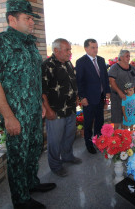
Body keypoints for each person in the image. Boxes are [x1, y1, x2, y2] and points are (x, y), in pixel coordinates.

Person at [0, 0, 56, 209]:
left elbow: (35, 78)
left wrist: (41, 103)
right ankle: (20, 199)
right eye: (28, 18)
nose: (32, 22)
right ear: (12, 19)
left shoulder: (30, 43)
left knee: (34, 150)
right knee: (18, 156)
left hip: (33, 111)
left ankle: (31, 183)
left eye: (32, 18)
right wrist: (8, 116)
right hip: (16, 114)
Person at [42, 38, 82, 177]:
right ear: (56, 50)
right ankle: (55, 166)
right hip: (56, 111)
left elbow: (72, 82)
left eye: (70, 49)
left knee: (69, 136)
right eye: (67, 50)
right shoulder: (47, 65)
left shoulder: (68, 63)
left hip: (70, 109)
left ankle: (67, 156)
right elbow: (42, 90)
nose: (69, 52)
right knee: (55, 140)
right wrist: (48, 110)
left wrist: (76, 97)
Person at [75, 39, 111, 154]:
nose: (95, 50)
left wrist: (107, 92)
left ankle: (99, 141)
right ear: (86, 48)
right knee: (88, 123)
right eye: (92, 47)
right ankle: (89, 144)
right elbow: (79, 81)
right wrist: (82, 97)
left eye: (96, 47)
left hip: (100, 97)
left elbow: (105, 78)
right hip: (88, 99)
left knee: (100, 121)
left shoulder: (101, 60)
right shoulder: (81, 62)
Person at [108, 49, 135, 129]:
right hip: (117, 97)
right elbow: (112, 81)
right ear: (121, 57)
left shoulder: (132, 68)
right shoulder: (114, 68)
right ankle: (116, 137)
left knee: (127, 118)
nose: (129, 58)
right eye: (127, 56)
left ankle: (125, 136)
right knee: (117, 119)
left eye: (129, 56)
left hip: (129, 99)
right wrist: (120, 92)